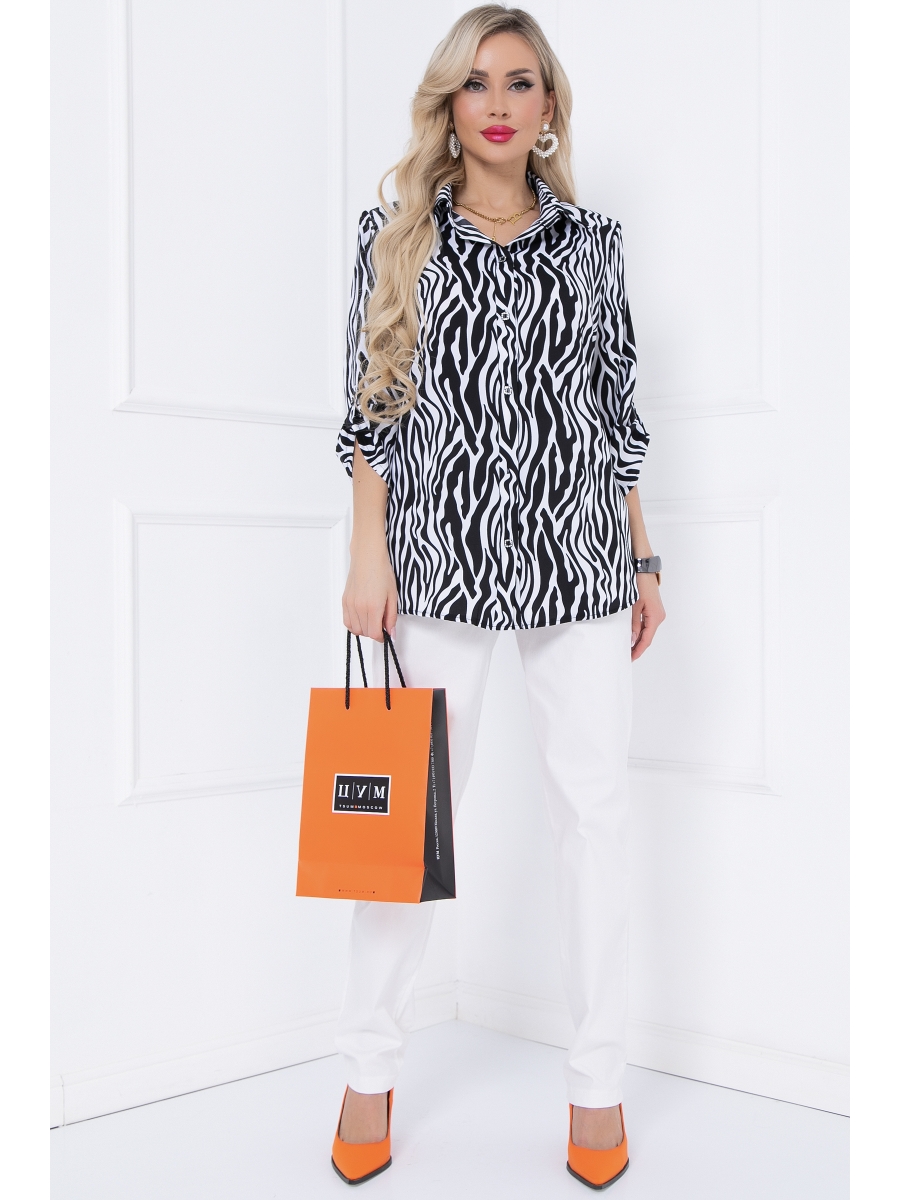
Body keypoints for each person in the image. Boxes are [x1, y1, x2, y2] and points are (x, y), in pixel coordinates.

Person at [330, 5, 665, 1189]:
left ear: (549, 105)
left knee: (596, 823)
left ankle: (597, 1083)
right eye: (476, 84)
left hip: (579, 566)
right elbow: (370, 407)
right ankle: (369, 1067)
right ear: (449, 104)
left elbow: (616, 412)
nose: (499, 104)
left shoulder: (595, 244)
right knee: (405, 835)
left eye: (521, 82)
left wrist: (642, 558)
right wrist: (367, 553)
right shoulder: (396, 235)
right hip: (439, 567)